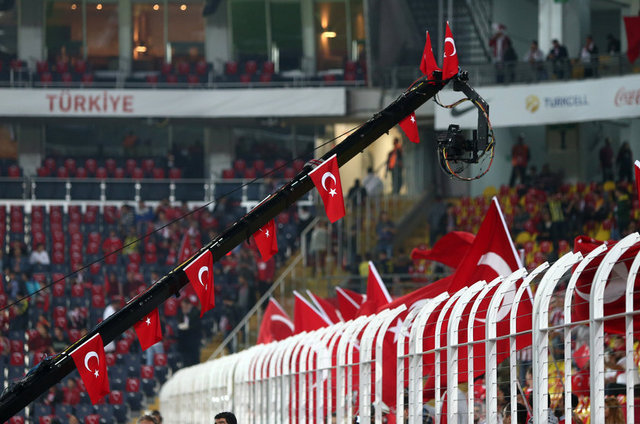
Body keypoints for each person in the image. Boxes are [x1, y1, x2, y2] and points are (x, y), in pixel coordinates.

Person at [177, 296, 202, 367]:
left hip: (193, 341)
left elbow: (197, 326)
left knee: (194, 361)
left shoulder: (195, 312)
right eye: (182, 307)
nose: (183, 308)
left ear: (189, 305)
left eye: (184, 307)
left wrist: (188, 327)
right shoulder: (181, 314)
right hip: (184, 343)